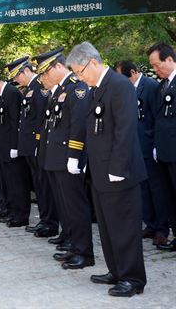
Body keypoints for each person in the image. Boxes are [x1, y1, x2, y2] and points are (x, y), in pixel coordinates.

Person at [67, 41, 146, 297]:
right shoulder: (96, 88)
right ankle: (116, 270)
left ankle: (132, 278)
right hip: (100, 172)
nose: (79, 77)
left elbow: (125, 130)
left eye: (79, 72)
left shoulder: (119, 85)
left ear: (92, 62)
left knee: (124, 227)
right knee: (108, 226)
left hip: (119, 172)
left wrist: (118, 167)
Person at [35, 47, 94, 269]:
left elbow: (78, 126)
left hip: (68, 158)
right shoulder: (60, 91)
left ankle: (84, 252)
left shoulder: (76, 89)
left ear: (59, 66)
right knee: (66, 206)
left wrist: (74, 156)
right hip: (56, 157)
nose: (43, 78)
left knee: (76, 206)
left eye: (46, 72)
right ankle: (73, 246)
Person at [114, 60, 169, 247]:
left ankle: (162, 228)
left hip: (149, 146)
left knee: (157, 190)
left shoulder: (150, 86)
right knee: (143, 190)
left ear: (133, 72)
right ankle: (151, 224)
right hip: (135, 148)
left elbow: (156, 117)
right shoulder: (127, 89)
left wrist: (155, 145)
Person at [7, 56, 58, 238]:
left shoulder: (39, 87)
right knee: (38, 184)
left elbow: (41, 120)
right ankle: (44, 219)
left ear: (25, 71)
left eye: (17, 76)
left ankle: (50, 222)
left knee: (44, 186)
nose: (16, 80)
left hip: (37, 144)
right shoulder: (30, 88)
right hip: (29, 145)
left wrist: (38, 143)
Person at [0, 72, 31, 228]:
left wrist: (15, 146)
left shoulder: (12, 93)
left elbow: (16, 122)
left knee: (17, 184)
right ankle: (12, 211)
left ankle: (21, 215)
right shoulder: (2, 96)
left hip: (11, 149)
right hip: (3, 148)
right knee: (9, 183)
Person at [147, 42, 176, 251]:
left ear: (169, 59)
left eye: (157, 65)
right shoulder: (162, 86)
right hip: (164, 152)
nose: (156, 70)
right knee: (169, 196)